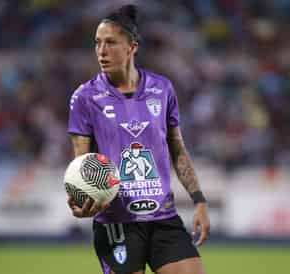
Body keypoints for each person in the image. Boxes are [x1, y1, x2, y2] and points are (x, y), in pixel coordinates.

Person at [67, 5, 209, 274]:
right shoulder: (85, 98)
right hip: (116, 223)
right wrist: (78, 202)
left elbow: (177, 149)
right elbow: (81, 166)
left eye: (110, 43)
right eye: (97, 43)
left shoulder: (162, 88)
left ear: (132, 47)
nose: (101, 51)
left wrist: (198, 200)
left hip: (164, 219)